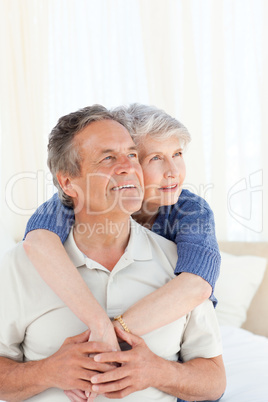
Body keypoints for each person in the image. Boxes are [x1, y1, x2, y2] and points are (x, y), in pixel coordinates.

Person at [0, 105, 226, 402]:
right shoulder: (47, 230)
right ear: (69, 183)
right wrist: (48, 371)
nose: (173, 171)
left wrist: (118, 341)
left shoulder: (186, 225)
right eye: (155, 158)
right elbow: (38, 240)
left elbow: (197, 285)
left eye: (131, 155)